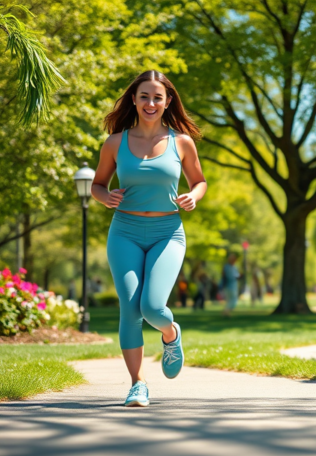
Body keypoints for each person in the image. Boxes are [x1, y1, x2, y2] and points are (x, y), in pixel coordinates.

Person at [91, 70, 207, 407]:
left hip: (167, 232)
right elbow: (97, 185)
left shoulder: (181, 142)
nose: (151, 103)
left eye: (158, 97)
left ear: (168, 101)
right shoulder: (115, 142)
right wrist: (104, 196)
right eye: (144, 96)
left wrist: (194, 196)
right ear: (134, 100)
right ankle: (137, 383)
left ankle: (171, 334)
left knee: (153, 307)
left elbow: (199, 181)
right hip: (124, 231)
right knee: (130, 309)